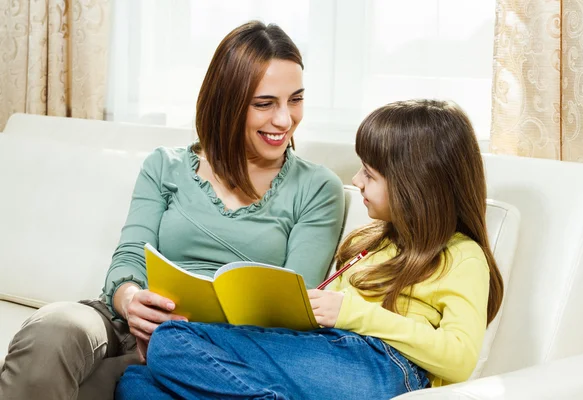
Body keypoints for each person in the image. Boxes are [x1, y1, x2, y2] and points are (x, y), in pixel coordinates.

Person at [0, 21, 345, 400]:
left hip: (218, 351)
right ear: (226, 102)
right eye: (265, 103)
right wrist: (132, 301)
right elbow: (130, 256)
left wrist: (179, 340)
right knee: (53, 328)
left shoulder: (317, 187)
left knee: (111, 385)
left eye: (295, 99)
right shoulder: (164, 166)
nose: (285, 119)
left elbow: (287, 313)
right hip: (127, 324)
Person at [115, 99, 505, 400]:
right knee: (135, 382)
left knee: (169, 344)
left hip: (385, 366)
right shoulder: (373, 242)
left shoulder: (461, 256)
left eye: (369, 174)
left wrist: (352, 313)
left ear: (416, 185)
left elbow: (459, 359)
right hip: (326, 354)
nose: (356, 180)